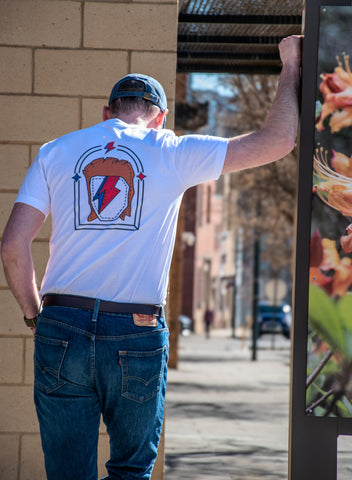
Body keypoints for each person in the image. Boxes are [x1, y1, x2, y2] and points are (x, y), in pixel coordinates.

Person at [1, 35, 301, 480]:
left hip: (62, 323)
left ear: (107, 113)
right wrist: (291, 65)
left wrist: (34, 317)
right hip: (136, 331)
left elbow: (12, 246)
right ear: (159, 118)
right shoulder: (171, 150)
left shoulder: (55, 152)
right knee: (130, 470)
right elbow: (278, 140)